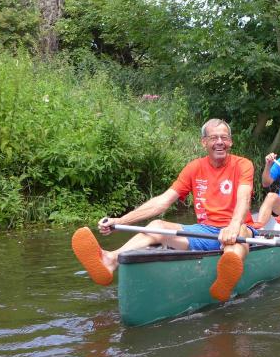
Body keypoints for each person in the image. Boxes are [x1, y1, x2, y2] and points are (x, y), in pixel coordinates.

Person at [70, 119, 256, 302]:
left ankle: (227, 274)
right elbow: (162, 202)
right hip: (205, 232)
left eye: (224, 137)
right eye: (214, 138)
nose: (220, 142)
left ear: (231, 142)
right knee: (157, 225)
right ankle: (110, 259)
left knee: (239, 232)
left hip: (238, 228)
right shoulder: (194, 168)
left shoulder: (243, 164)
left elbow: (244, 198)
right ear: (204, 142)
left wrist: (233, 226)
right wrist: (120, 221)